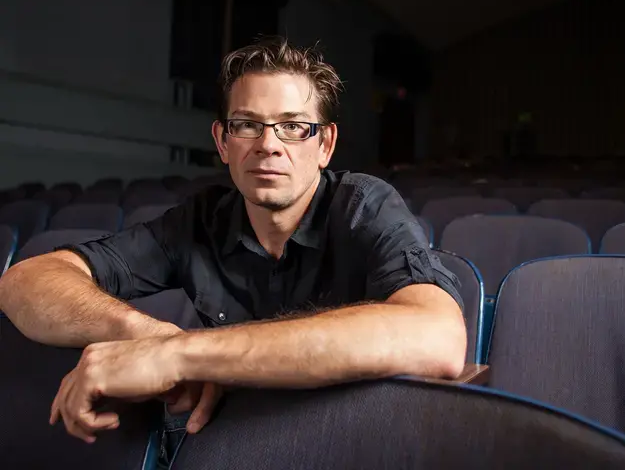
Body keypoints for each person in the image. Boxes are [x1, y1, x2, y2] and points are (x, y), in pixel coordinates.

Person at [0, 37, 466, 448]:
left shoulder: (364, 205)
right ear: (223, 142)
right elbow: (24, 282)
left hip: (344, 445)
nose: (268, 145)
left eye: (293, 126)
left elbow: (439, 339)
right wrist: (146, 335)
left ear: (324, 145)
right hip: (225, 446)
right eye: (247, 125)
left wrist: (180, 355)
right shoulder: (198, 221)